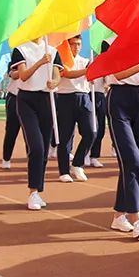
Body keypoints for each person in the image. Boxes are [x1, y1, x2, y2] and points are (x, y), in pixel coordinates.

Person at [102, 38, 139, 238]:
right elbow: (117, 73)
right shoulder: (109, 43)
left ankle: (119, 216)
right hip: (119, 100)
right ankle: (136, 217)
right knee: (133, 161)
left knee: (130, 163)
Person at [11, 37, 63, 209]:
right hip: (27, 100)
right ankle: (32, 192)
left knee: (44, 148)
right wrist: (40, 62)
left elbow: (57, 77)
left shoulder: (53, 50)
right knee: (36, 147)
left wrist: (53, 83)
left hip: (48, 100)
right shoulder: (21, 49)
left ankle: (38, 190)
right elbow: (23, 76)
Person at [54, 35, 95, 184]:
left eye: (78, 44)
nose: (76, 47)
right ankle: (63, 171)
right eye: (73, 44)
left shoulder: (85, 61)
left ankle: (77, 164)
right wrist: (87, 71)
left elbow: (92, 77)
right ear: (67, 46)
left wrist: (93, 72)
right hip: (65, 98)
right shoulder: (61, 60)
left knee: (91, 133)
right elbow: (67, 74)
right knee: (65, 137)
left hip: (84, 98)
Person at [1, 64, 22, 170]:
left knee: (31, 132)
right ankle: (6, 158)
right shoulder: (15, 60)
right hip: (15, 97)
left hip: (32, 97)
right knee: (11, 130)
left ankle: (32, 159)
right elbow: (13, 75)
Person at [86, 73, 107, 168]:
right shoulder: (88, 62)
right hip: (88, 94)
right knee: (92, 127)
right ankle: (85, 153)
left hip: (100, 95)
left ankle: (94, 156)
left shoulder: (105, 65)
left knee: (101, 128)